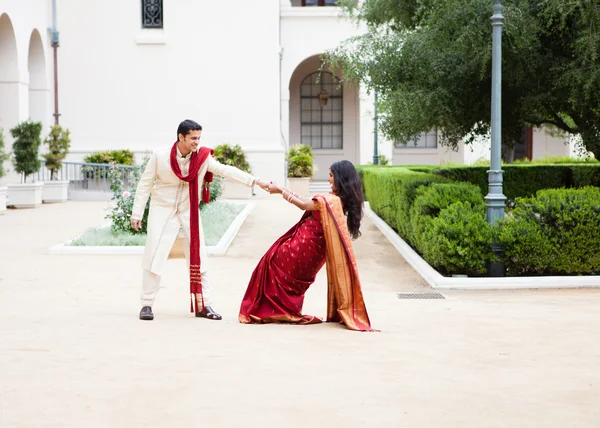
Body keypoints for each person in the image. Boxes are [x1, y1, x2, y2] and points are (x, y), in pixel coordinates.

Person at [131, 119, 270, 321]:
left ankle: (204, 304)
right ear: (181, 137)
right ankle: (146, 304)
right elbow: (144, 185)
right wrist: (137, 213)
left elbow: (225, 170)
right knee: (154, 258)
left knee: (200, 259)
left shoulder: (202, 158)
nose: (197, 142)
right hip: (162, 212)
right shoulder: (159, 156)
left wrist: (256, 181)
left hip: (189, 215)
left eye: (199, 138)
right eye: (193, 138)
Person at [239, 160, 376, 332]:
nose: (328, 180)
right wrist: (281, 189)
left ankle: (276, 310)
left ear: (341, 178)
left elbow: (303, 204)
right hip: (314, 251)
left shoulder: (331, 200)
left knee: (272, 263)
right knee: (284, 275)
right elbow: (305, 200)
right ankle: (283, 310)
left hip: (303, 246)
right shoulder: (338, 201)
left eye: (331, 176)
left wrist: (281, 191)